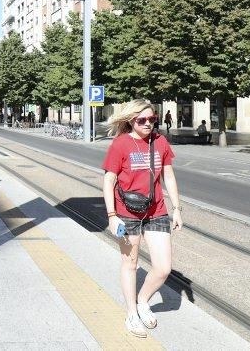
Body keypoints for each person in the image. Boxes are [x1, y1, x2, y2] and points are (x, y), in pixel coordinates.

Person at [102, 99, 182, 338]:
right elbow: (108, 181)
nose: (148, 124)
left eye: (152, 119)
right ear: (131, 120)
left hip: (156, 210)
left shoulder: (160, 142)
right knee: (130, 264)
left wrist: (177, 208)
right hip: (127, 213)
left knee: (163, 267)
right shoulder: (120, 145)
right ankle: (131, 313)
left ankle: (142, 300)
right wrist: (112, 215)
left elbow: (168, 175)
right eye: (142, 120)